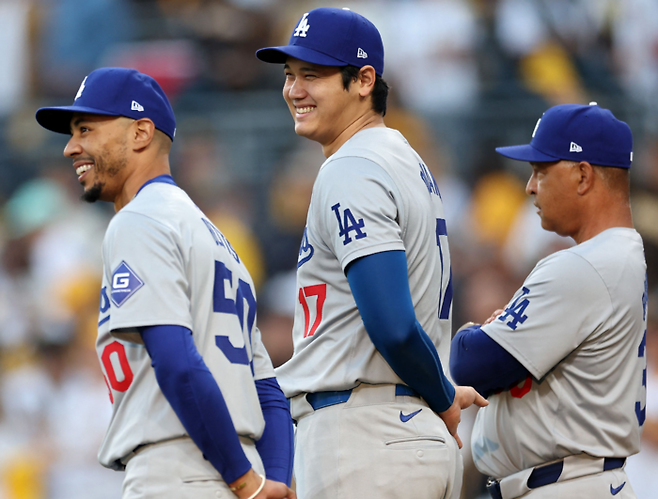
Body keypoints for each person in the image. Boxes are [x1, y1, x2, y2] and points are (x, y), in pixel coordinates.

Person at [255, 8, 487, 499]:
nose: (294, 90)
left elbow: (394, 325)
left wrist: (442, 396)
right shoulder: (402, 158)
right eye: (289, 75)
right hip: (400, 426)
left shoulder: (354, 165)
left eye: (312, 75)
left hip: (366, 438)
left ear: (363, 81)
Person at [34, 67, 295, 499]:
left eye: (86, 129)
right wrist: (275, 481)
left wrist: (245, 482)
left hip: (180, 470)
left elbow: (176, 362)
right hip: (237, 466)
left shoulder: (139, 220)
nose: (70, 147)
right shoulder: (217, 240)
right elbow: (267, 390)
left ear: (140, 133)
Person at [450, 103, 647, 499]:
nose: (530, 186)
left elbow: (471, 363)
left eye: (541, 170)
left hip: (568, 483)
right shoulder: (617, 255)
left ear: (582, 175)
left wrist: (476, 332)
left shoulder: (587, 264)